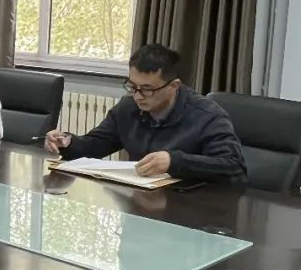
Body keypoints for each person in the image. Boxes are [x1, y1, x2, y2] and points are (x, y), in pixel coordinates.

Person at [44, 44, 247, 181]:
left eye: (147, 89)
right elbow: (95, 145)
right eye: (132, 86)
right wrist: (67, 142)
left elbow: (233, 166)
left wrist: (174, 162)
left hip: (192, 209)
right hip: (142, 201)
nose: (138, 96)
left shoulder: (206, 115)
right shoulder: (128, 108)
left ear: (174, 86)